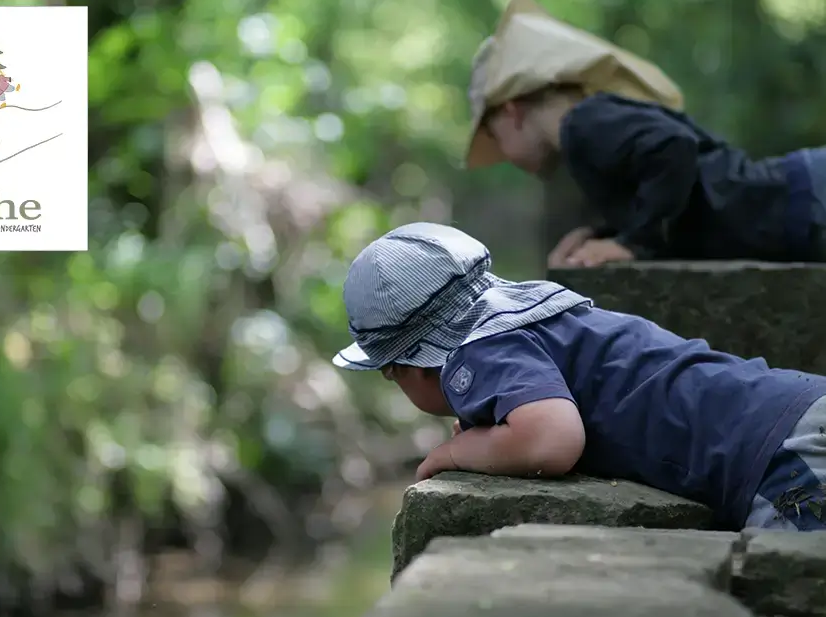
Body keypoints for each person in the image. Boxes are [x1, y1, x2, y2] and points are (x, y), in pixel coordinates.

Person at [332, 221, 826, 531]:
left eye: (390, 374)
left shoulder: (475, 349)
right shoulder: (534, 318)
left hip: (778, 459)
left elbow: (551, 440)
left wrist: (454, 453)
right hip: (793, 410)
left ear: (414, 364)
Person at [467, 75, 826, 267]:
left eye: (497, 139)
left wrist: (635, 243)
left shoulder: (581, 123)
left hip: (805, 198)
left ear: (512, 112)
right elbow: (677, 187)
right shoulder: (589, 128)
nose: (505, 157)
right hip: (802, 199)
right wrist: (602, 235)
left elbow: (674, 148)